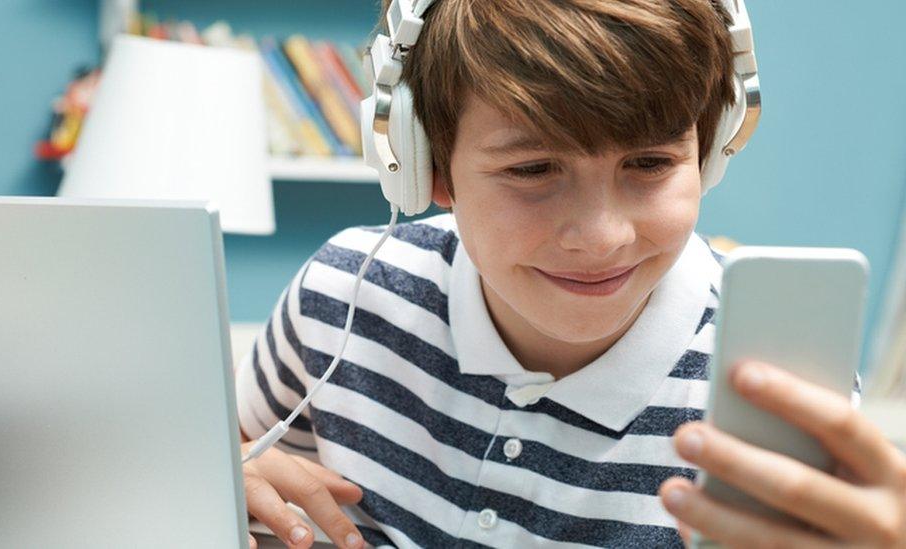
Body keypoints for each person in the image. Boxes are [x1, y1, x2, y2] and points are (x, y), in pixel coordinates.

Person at [235, 0, 906, 547]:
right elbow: (235, 449)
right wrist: (218, 475)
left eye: (649, 164)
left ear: (712, 146)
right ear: (424, 165)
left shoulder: (777, 392)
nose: (603, 236)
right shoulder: (343, 294)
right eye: (533, 169)